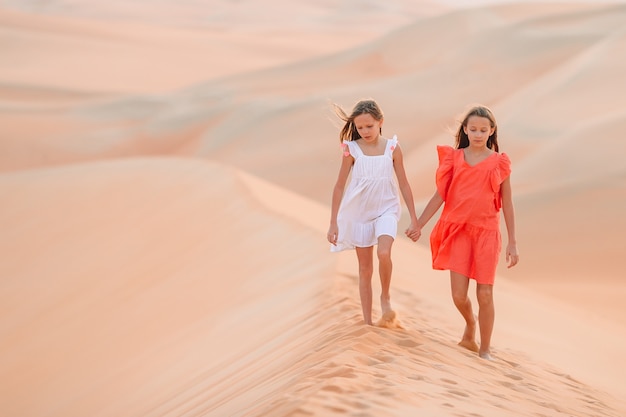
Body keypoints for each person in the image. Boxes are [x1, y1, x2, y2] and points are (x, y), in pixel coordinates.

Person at [414, 104, 519, 359]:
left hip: (487, 233)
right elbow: (441, 195)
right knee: (459, 295)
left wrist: (513, 242)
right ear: (465, 130)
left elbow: (508, 203)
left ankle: (485, 349)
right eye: (473, 129)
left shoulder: (499, 163)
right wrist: (419, 223)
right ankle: (470, 324)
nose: (478, 134)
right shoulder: (455, 158)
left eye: (483, 130)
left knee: (485, 293)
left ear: (492, 131)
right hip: (458, 230)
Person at [327, 99, 421, 327]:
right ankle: (368, 323)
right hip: (359, 213)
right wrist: (333, 223)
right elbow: (339, 185)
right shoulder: (351, 149)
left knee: (384, 254)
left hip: (386, 209)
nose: (365, 131)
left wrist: (415, 219)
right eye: (360, 127)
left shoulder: (392, 148)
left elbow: (404, 184)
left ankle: (385, 296)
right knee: (365, 269)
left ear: (380, 122)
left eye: (369, 126)